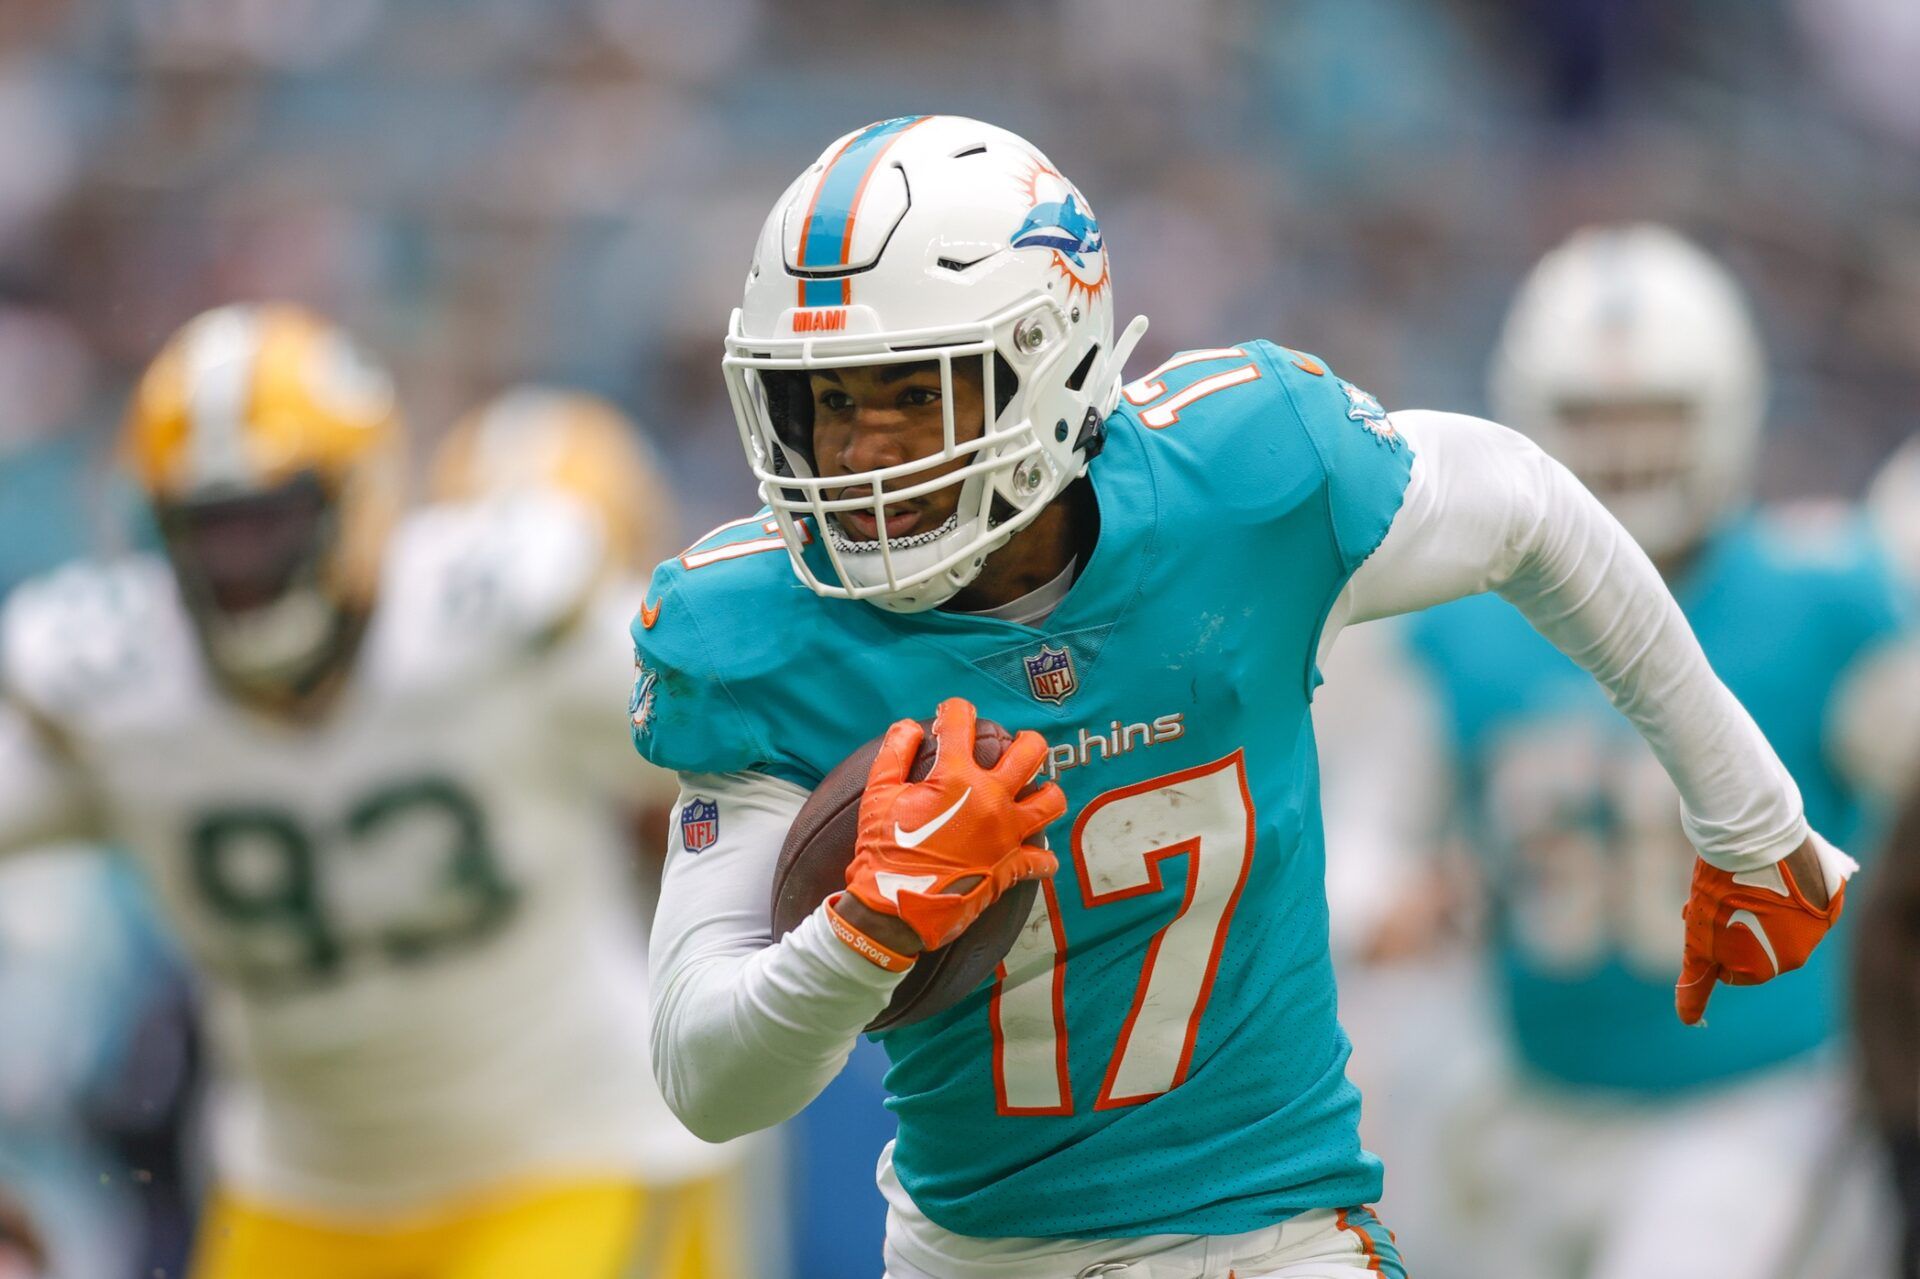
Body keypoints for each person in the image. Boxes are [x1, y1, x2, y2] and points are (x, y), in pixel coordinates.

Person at [633, 117, 1852, 1278]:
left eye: (912, 393)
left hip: (1272, 1235)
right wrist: (863, 933)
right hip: (973, 1252)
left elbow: (1525, 504)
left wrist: (1748, 816)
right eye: (831, 402)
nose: (856, 452)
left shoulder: (1248, 486)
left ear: (1041, 364)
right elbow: (707, 1078)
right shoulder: (758, 638)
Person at [0, 312, 737, 1279]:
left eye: (273, 519)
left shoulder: (490, 625)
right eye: (209, 530)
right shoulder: (123, 695)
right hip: (298, 1185)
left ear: (359, 500)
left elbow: (737, 746)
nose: (243, 567)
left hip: (562, 1155)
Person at [1397, 225, 1909, 1278]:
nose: (1627, 448)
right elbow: (1377, 839)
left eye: (1658, 415)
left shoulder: (1828, 596)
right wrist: (1390, 893)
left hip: (1755, 1096)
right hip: (1532, 1094)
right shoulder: (1459, 622)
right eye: (1593, 416)